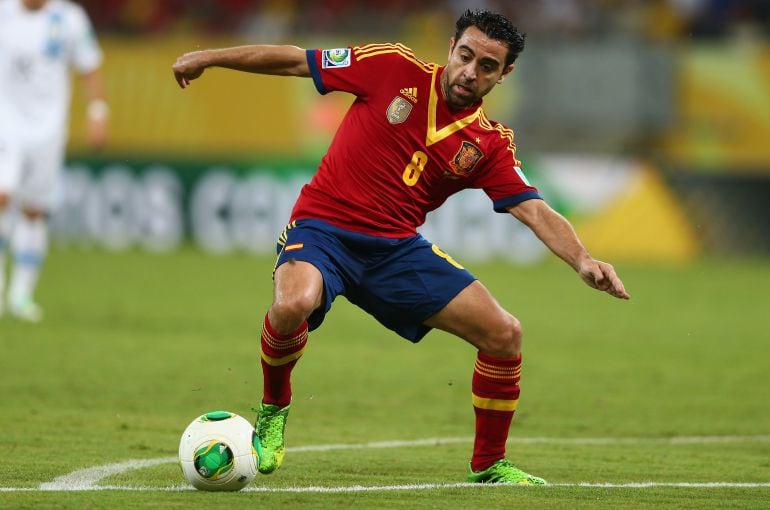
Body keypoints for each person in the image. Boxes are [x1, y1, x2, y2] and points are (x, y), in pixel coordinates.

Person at [172, 9, 630, 485]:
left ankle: (489, 464)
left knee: (504, 334)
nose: (470, 72)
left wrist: (582, 260)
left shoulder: (488, 144)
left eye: (487, 66)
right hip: (323, 229)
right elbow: (294, 60)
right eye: (466, 56)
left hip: (394, 251)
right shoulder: (391, 66)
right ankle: (273, 409)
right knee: (293, 304)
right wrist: (209, 57)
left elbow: (533, 209)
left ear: (504, 74)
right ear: (451, 47)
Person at [0, 0, 108, 322]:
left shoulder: (70, 19)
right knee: (2, 196)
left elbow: (90, 66)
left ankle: (21, 296)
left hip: (48, 130)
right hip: (6, 124)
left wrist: (98, 112)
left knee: (34, 210)